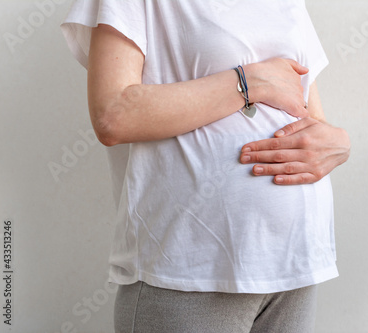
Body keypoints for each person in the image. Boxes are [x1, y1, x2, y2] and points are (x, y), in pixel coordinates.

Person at [61, 1, 350, 332]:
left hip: (294, 263)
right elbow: (114, 115)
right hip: (188, 269)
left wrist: (340, 143)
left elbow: (310, 119)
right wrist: (249, 82)